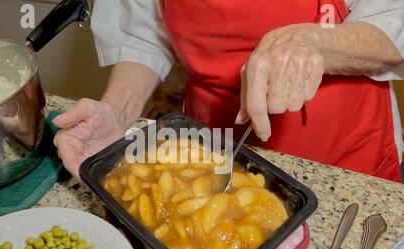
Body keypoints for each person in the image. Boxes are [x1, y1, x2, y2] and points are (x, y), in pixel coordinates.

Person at [53, 0, 404, 182]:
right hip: (211, 142)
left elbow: (396, 19)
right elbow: (143, 35)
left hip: (345, 151)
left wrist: (318, 43)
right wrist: (118, 109)